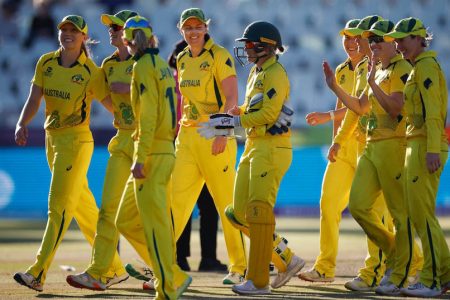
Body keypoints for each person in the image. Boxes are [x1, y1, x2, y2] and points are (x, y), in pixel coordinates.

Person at [13, 14, 124, 291]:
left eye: (74, 31)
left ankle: (38, 272)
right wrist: (21, 122)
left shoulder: (90, 72)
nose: (68, 34)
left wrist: (138, 117)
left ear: (84, 37)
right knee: (83, 207)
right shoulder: (46, 62)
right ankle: (115, 268)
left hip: (76, 143)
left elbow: (111, 104)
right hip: (53, 140)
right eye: (64, 29)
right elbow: (35, 97)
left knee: (58, 208)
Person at [200, 20, 305, 295]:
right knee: (237, 213)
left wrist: (232, 122)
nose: (245, 49)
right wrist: (225, 119)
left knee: (258, 212)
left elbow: (269, 115)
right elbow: (248, 107)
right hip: (253, 146)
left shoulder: (276, 74)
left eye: (249, 44)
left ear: (265, 46)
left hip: (271, 148)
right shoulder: (256, 72)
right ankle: (287, 259)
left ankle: (258, 281)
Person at [323, 19, 421, 296]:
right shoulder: (376, 69)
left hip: (395, 145)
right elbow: (359, 108)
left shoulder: (402, 68)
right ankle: (405, 259)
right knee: (358, 207)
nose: (371, 44)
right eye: (371, 40)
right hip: (372, 145)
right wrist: (334, 88)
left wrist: (371, 83)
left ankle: (394, 272)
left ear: (393, 42)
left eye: (378, 40)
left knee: (398, 216)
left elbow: (394, 109)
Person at [299, 19, 392, 284]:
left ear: (365, 41)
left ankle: (380, 268)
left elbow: (362, 106)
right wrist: (335, 143)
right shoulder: (341, 69)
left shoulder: (374, 67)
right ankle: (324, 268)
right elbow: (345, 109)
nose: (350, 43)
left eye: (355, 38)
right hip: (345, 147)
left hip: (369, 144)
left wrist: (327, 116)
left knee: (373, 211)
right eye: (346, 38)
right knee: (328, 205)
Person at [112, 15, 188, 299]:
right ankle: (172, 276)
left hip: (152, 152)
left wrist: (141, 157)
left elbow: (148, 115)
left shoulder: (143, 66)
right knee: (125, 220)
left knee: (155, 228)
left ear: (130, 41)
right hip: (164, 148)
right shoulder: (161, 66)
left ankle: (167, 289)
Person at [170, 7, 247, 284]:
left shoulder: (219, 55)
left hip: (214, 134)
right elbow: (185, 102)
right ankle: (164, 265)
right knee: (176, 202)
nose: (193, 32)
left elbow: (231, 98)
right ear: (181, 30)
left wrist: (221, 133)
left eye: (198, 27)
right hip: (188, 138)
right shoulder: (180, 58)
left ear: (206, 28)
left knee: (227, 205)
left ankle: (240, 267)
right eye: (188, 27)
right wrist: (179, 131)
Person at [65, 9, 138, 291]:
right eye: (111, 28)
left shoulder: (147, 61)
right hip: (123, 139)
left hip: (150, 142)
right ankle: (100, 272)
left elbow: (163, 92)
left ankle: (165, 271)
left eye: (118, 27)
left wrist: (129, 86)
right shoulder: (107, 65)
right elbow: (110, 102)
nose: (112, 31)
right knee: (108, 211)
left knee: (153, 212)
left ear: (132, 31)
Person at [384, 17, 450, 298]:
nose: (398, 45)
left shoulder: (425, 67)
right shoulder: (417, 68)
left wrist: (433, 149)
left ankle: (433, 280)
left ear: (420, 39)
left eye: (403, 39)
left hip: (426, 146)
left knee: (422, 216)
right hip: (418, 144)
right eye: (396, 40)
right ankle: (443, 274)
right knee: (419, 215)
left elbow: (434, 113)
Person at [167, 39, 227, 273]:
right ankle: (207, 258)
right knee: (207, 206)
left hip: (179, 141)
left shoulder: (171, 80)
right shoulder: (186, 79)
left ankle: (178, 258)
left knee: (179, 205)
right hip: (194, 139)